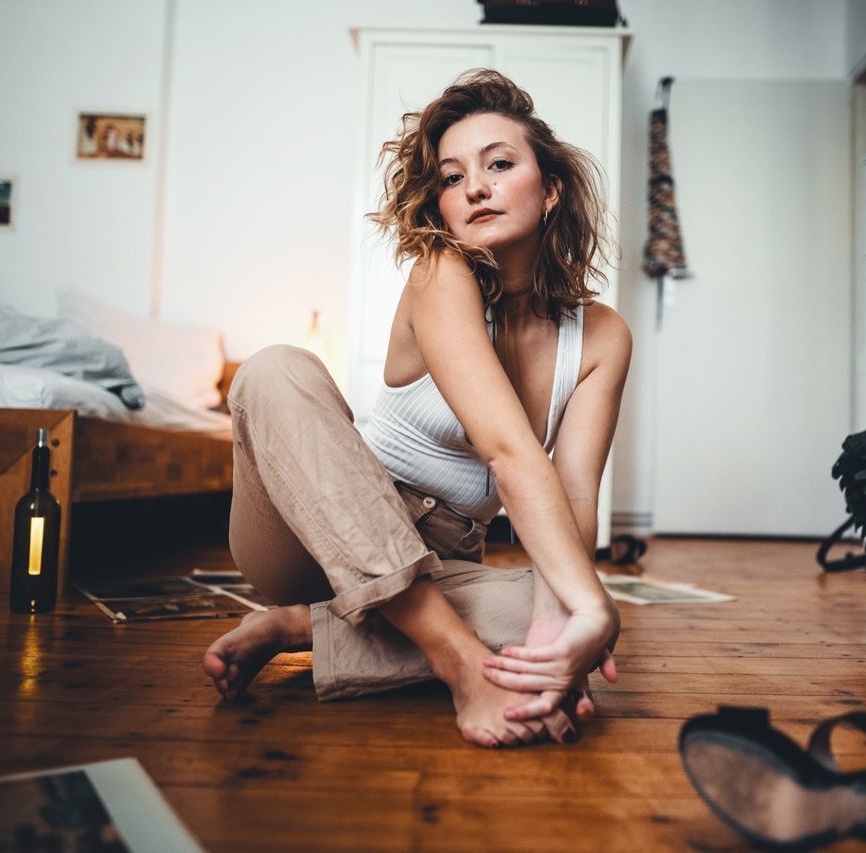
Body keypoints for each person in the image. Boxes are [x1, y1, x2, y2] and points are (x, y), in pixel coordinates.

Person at [203, 69, 632, 748]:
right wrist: (580, 616)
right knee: (274, 369)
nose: (477, 187)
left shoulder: (602, 336)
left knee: (573, 605)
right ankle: (456, 658)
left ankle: (301, 628)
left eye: (499, 164)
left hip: (444, 558)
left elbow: (574, 493)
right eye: (453, 177)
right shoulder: (441, 271)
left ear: (551, 188)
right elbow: (508, 451)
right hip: (318, 529)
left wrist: (568, 622)